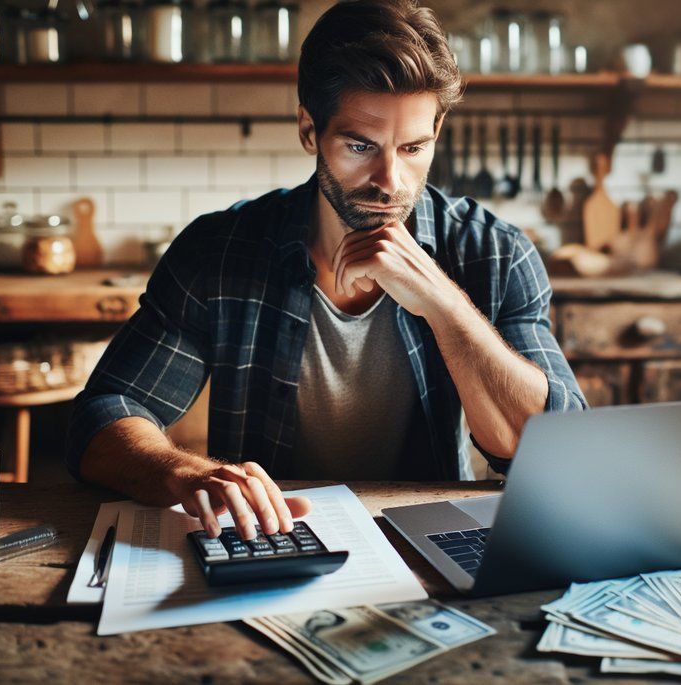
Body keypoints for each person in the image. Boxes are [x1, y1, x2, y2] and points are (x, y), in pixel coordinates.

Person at [67, 0, 586, 542]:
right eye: (361, 146)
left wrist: (443, 304)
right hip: (268, 538)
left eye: (413, 148)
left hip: (430, 543)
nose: (390, 180)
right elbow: (103, 416)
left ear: (438, 130)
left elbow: (559, 451)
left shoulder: (495, 254)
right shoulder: (218, 252)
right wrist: (183, 472)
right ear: (309, 130)